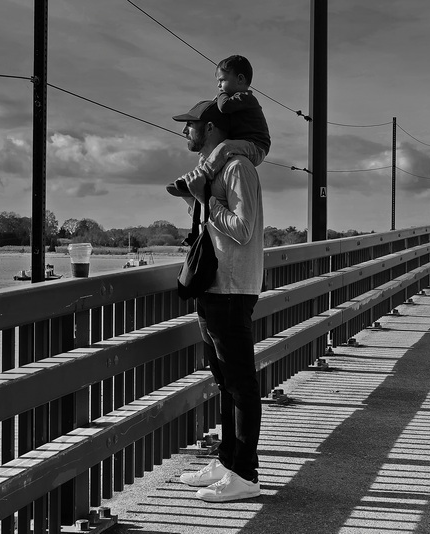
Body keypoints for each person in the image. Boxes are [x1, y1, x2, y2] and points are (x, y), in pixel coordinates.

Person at [172, 99, 265, 503]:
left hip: (232, 289)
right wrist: (195, 197)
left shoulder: (238, 168)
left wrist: (207, 200)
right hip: (213, 288)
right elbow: (214, 230)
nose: (184, 132)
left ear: (209, 128)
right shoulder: (214, 171)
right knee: (224, 382)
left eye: (189, 125)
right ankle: (228, 463)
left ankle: (245, 473)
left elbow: (242, 229)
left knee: (241, 385)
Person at [167, 55, 270, 198]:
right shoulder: (237, 102)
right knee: (207, 156)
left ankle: (203, 177)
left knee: (225, 147)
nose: (219, 85)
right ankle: (193, 179)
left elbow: (224, 106)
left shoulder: (246, 97)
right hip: (244, 143)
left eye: (222, 80)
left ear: (240, 79)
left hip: (257, 146)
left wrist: (221, 94)